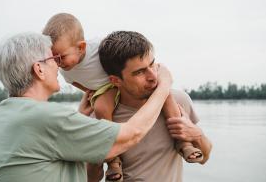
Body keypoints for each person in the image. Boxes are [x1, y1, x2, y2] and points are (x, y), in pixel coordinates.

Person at [0, 32, 173, 182]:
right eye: (53, 60)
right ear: (39, 69)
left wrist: (80, 116)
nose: (59, 66)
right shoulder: (47, 117)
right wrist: (163, 86)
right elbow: (132, 134)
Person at [42, 13, 204, 182]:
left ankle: (183, 143)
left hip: (116, 82)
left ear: (81, 47)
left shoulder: (98, 47)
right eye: (54, 58)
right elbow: (77, 83)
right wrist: (92, 94)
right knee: (101, 108)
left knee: (166, 96)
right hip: (105, 89)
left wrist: (196, 136)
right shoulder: (67, 72)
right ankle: (114, 161)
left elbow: (121, 50)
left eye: (61, 57)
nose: (57, 62)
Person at [93, 31, 213, 182]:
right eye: (140, 72)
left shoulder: (179, 101)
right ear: (116, 80)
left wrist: (197, 134)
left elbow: (204, 158)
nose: (153, 77)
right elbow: (90, 178)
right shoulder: (102, 118)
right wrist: (97, 155)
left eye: (151, 64)